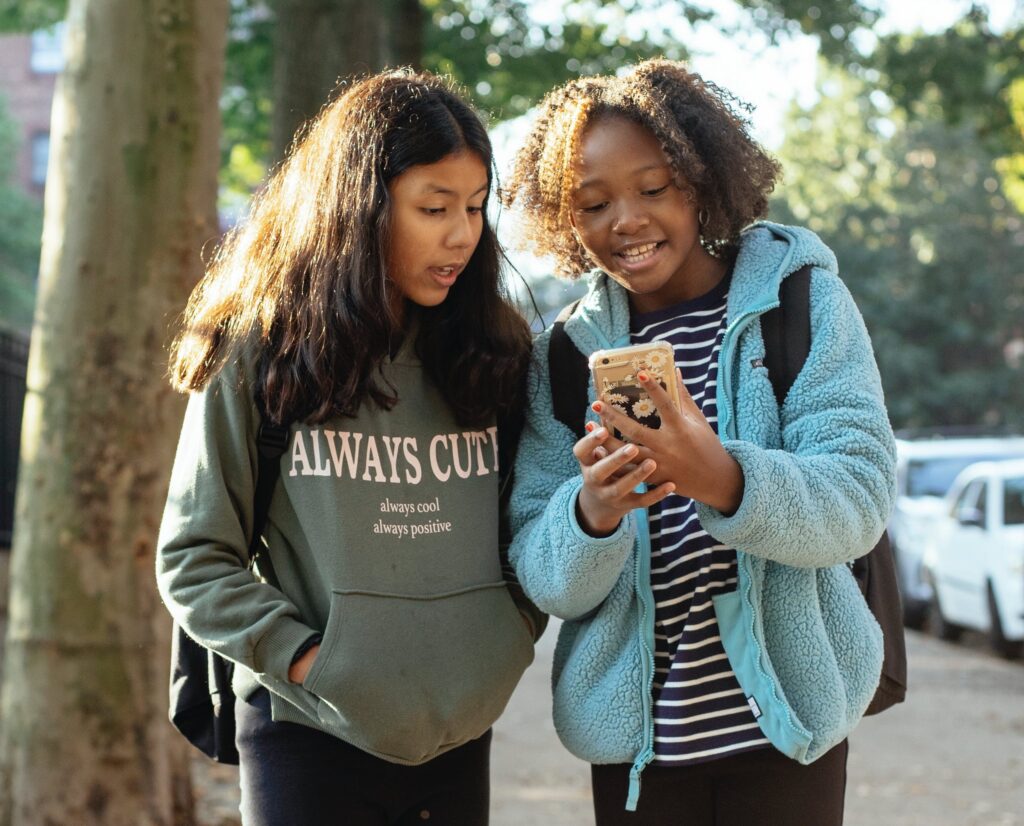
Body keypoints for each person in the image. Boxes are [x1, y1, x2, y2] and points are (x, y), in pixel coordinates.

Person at [501, 59, 896, 825]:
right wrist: (592, 514)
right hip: (638, 752)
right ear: (563, 215)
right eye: (593, 202)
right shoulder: (562, 358)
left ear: (702, 177)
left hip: (790, 730)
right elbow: (545, 578)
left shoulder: (799, 301)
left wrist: (720, 477)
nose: (627, 221)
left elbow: (857, 500)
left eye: (655, 188)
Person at [156, 69, 543, 826]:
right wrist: (315, 666)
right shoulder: (260, 352)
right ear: (359, 206)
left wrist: (500, 644)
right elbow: (193, 558)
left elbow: (527, 524)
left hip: (460, 733)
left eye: (473, 207)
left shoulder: (494, 351)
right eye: (434, 208)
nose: (461, 233)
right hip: (305, 734)